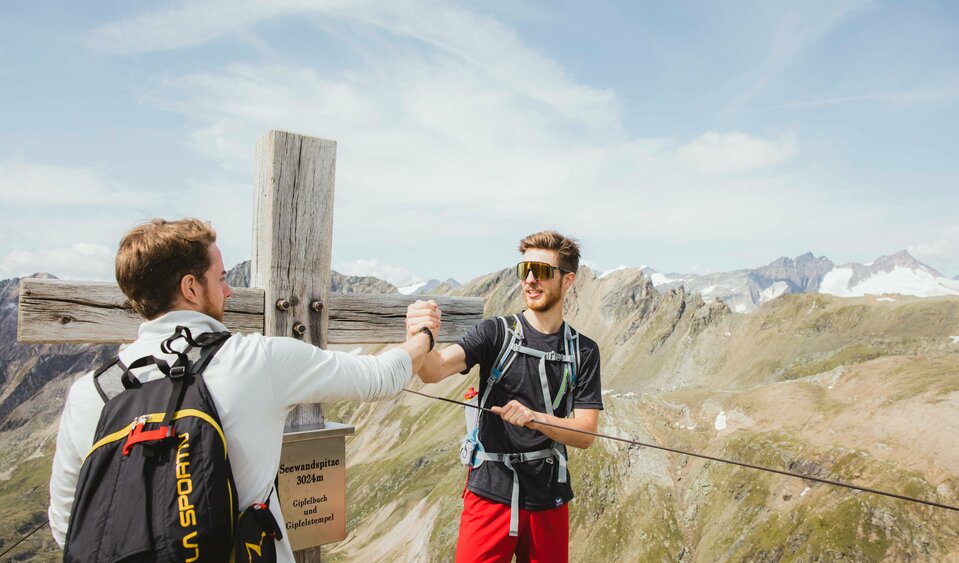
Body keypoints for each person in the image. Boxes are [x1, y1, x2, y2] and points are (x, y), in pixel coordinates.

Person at [48, 218, 440, 561]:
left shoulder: (89, 393)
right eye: (221, 278)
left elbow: (69, 522)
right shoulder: (257, 361)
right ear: (190, 288)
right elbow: (381, 377)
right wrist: (423, 334)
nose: (229, 291)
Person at [406, 230, 603, 563]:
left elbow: (586, 434)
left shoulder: (584, 351)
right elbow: (433, 370)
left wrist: (536, 419)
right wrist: (421, 335)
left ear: (568, 280)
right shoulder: (495, 333)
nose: (530, 280)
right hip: (490, 492)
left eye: (541, 271)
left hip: (548, 496)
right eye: (524, 270)